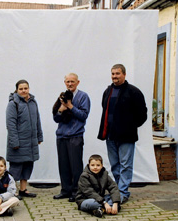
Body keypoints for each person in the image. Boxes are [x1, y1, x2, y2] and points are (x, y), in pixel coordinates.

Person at [97, 64, 147, 204]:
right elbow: (105, 109)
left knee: (125, 165)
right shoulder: (108, 91)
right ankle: (119, 190)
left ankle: (123, 192)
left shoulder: (134, 92)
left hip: (126, 136)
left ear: (124, 74)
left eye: (117, 73)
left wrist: (129, 126)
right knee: (114, 165)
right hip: (110, 135)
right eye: (113, 74)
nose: (115, 76)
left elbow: (142, 114)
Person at [52, 73, 90, 202]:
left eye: (72, 81)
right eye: (67, 81)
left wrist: (70, 106)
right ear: (64, 82)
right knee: (63, 165)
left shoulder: (83, 96)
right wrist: (61, 109)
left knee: (75, 166)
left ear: (78, 82)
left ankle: (76, 191)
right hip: (61, 136)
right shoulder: (62, 97)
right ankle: (65, 190)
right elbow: (56, 118)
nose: (70, 84)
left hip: (75, 136)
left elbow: (83, 115)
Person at [5, 79, 43, 199]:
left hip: (31, 142)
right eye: (21, 89)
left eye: (25, 88)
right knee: (16, 168)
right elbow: (10, 124)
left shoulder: (33, 102)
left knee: (27, 166)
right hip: (19, 142)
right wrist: (14, 141)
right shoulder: (13, 104)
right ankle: (11, 192)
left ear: (29, 89)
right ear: (17, 90)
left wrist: (39, 136)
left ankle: (23, 190)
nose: (23, 91)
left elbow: (37, 120)